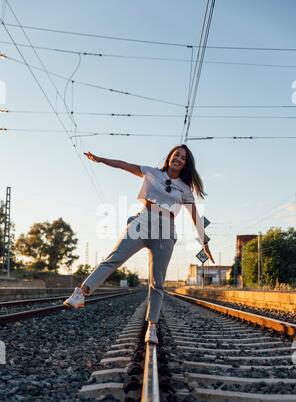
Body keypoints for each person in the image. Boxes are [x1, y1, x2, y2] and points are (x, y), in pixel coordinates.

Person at [63, 144, 214, 344]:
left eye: (183, 158)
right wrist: (100, 159)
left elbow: (195, 217)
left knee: (157, 281)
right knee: (114, 258)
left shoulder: (185, 189)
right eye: (176, 155)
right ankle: (80, 293)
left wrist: (204, 242)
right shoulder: (151, 172)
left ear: (186, 164)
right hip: (142, 221)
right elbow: (123, 165)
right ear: (170, 157)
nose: (178, 158)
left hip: (165, 229)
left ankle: (152, 327)